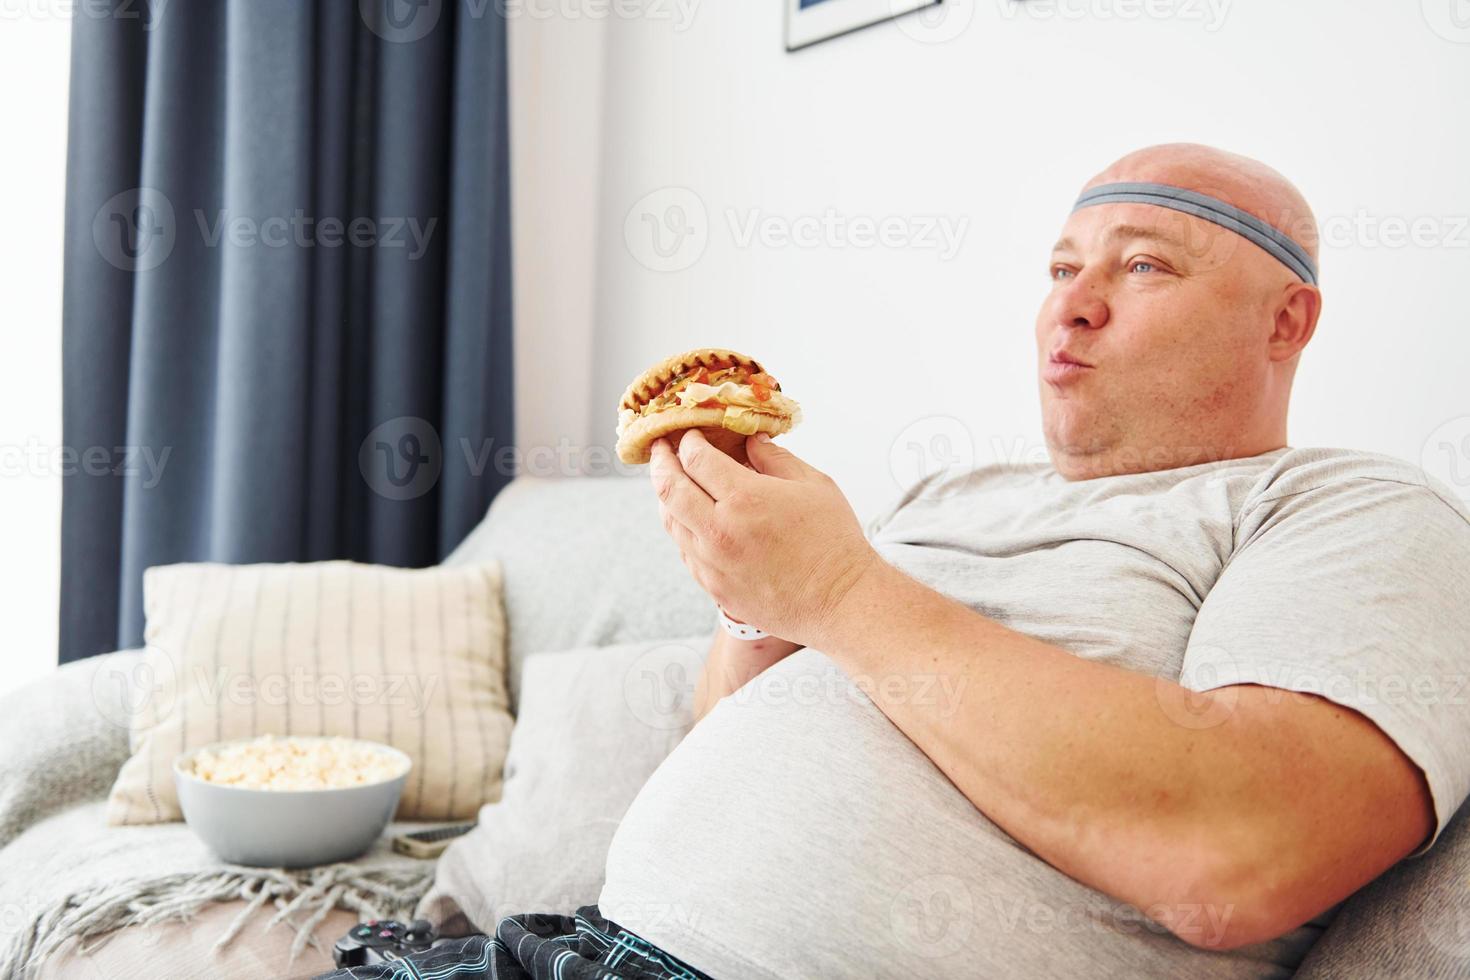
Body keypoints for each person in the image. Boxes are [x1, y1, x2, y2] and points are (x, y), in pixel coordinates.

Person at [317, 143, 1470, 980]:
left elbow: (1246, 851)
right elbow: (725, 740)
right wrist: (753, 600)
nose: (1069, 307)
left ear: (1288, 321)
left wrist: (838, 588)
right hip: (577, 947)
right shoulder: (950, 492)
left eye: (1144, 267)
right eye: (1059, 266)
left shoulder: (1351, 506)